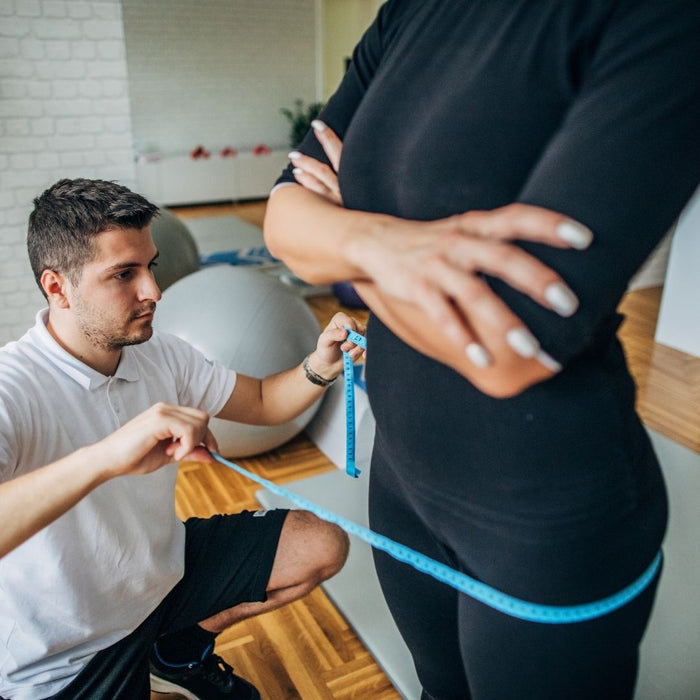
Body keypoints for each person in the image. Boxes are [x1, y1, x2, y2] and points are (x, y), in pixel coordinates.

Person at [263, 1, 700, 698]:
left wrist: (345, 243)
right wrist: (383, 246)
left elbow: (509, 346)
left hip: (544, 513)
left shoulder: (660, 21)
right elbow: (283, 217)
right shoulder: (408, 14)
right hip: (401, 475)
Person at [0, 177, 366, 700]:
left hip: (159, 583)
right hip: (63, 658)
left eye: (149, 266)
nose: (153, 291)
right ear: (57, 288)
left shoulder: (159, 353)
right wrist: (106, 458)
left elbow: (262, 401)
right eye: (123, 274)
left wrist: (319, 365)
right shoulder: (12, 387)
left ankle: (173, 652)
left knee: (320, 543)